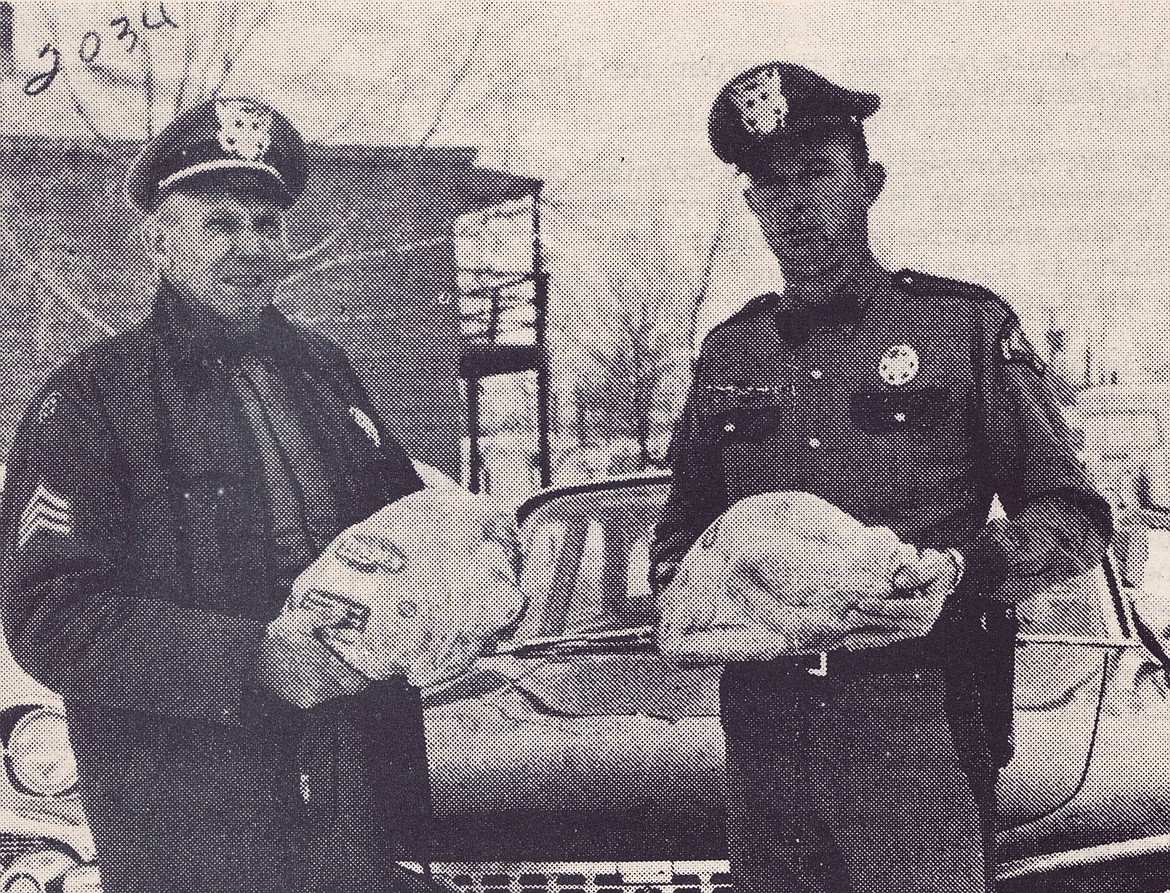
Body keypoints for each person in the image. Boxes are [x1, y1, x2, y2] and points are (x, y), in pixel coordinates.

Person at [650, 62, 1112, 893]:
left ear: (870, 183)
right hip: (762, 725)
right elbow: (685, 528)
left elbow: (1074, 513)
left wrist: (971, 570)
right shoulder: (729, 352)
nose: (796, 203)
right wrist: (686, 587)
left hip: (917, 716)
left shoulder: (962, 327)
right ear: (751, 205)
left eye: (819, 173)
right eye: (771, 182)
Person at [0, 98, 443, 893]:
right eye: (219, 223)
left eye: (267, 224)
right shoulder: (93, 397)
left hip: (347, 794)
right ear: (159, 242)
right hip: (186, 817)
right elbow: (50, 615)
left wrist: (464, 565)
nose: (250, 248)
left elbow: (409, 535)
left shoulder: (324, 371)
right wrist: (252, 661)